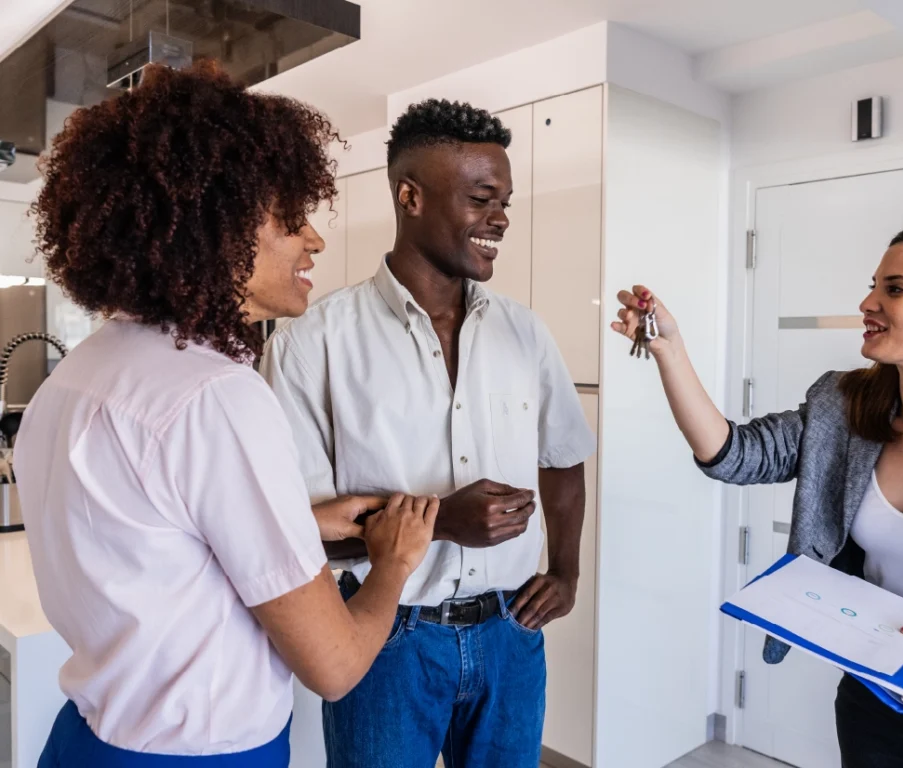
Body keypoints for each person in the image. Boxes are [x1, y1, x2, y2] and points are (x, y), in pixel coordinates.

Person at [15, 63, 437, 767]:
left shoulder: (78, 376)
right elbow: (334, 666)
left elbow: (154, 548)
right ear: (216, 220)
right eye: (288, 216)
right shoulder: (217, 395)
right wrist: (394, 565)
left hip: (86, 743)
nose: (315, 240)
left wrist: (299, 523)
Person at [613, 217, 903, 768]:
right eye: (873, 285)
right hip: (873, 694)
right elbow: (734, 455)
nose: (868, 303)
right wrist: (670, 349)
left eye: (894, 289)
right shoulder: (841, 405)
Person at [260, 98, 596, 768]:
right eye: (480, 198)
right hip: (386, 642)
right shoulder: (314, 343)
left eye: (505, 200)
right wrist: (442, 521)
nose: (499, 217)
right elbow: (299, 530)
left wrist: (564, 569)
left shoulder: (525, 332)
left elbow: (562, 457)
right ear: (409, 196)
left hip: (511, 634)